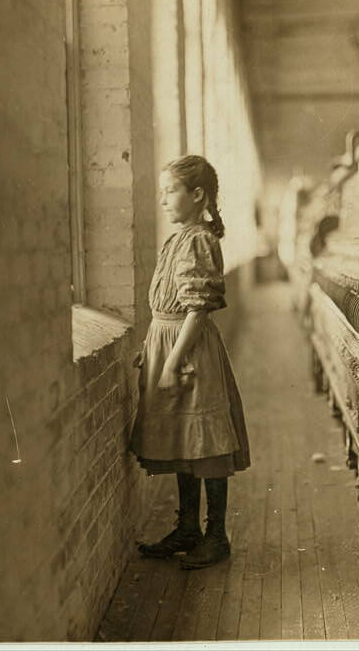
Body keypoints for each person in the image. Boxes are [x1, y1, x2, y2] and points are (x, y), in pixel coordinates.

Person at [128, 155, 251, 570]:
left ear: (197, 195)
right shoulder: (179, 237)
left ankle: (216, 536)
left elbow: (197, 309)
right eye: (161, 192)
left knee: (207, 442)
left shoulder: (198, 239)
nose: (163, 199)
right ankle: (188, 529)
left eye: (170, 192)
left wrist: (172, 361)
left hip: (189, 348)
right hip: (169, 339)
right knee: (185, 439)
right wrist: (151, 348)